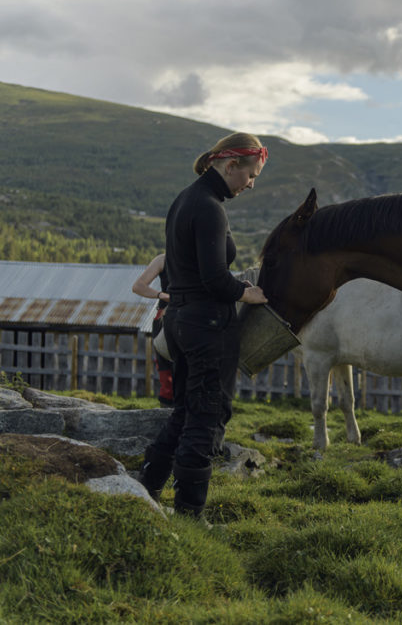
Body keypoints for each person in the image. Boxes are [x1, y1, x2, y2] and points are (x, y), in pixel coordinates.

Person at [139, 132, 269, 519]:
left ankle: (146, 489)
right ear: (231, 166)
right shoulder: (210, 207)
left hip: (179, 321)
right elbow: (215, 279)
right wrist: (247, 293)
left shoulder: (186, 199)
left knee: (184, 412)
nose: (250, 185)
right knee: (207, 415)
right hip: (207, 326)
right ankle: (189, 515)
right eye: (251, 176)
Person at [132, 253, 174, 407]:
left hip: (193, 317)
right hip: (165, 317)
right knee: (166, 369)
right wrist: (162, 295)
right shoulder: (163, 259)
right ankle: (167, 412)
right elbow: (138, 286)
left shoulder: (199, 255)